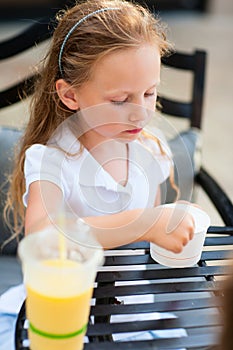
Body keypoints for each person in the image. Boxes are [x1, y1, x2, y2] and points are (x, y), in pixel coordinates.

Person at [1, 0, 197, 347]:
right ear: (71, 94)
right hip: (63, 317)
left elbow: (141, 247)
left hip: (133, 314)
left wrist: (167, 234)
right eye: (120, 99)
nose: (140, 114)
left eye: (149, 93)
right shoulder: (51, 161)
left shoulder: (149, 151)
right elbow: (42, 237)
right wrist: (147, 221)